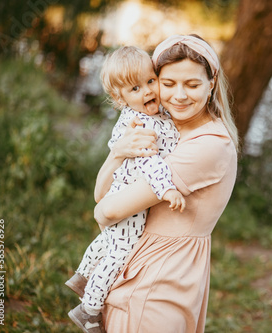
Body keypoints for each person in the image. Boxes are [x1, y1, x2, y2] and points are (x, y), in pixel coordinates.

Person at [92, 34, 238, 332]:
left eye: (193, 85)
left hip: (157, 280)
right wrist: (117, 153)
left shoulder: (207, 146)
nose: (179, 96)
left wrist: (105, 205)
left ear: (212, 83)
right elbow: (100, 195)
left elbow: (105, 212)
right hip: (151, 274)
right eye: (168, 84)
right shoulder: (165, 129)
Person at [66, 46, 186, 333]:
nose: (148, 91)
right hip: (130, 200)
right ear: (121, 99)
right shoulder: (140, 122)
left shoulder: (150, 115)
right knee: (119, 252)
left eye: (150, 81)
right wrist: (167, 189)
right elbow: (150, 162)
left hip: (122, 192)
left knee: (110, 241)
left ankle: (83, 276)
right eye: (136, 88)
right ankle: (89, 309)